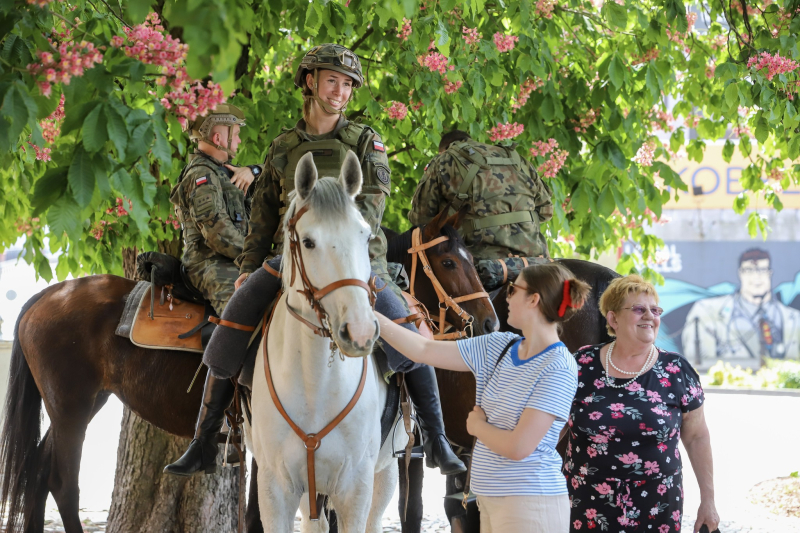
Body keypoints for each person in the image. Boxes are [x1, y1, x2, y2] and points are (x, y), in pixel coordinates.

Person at [165, 43, 466, 477]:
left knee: (410, 328)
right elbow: (264, 215)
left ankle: (437, 441)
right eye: (332, 81)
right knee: (230, 324)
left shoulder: (366, 142)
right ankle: (205, 440)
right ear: (310, 81)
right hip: (294, 262)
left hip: (358, 265)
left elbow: (372, 211)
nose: (341, 92)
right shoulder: (282, 147)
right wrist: (249, 268)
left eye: (347, 85)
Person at [376, 262, 589, 532]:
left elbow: (518, 447)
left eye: (513, 289)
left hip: (531, 502)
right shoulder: (499, 345)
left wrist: (478, 427)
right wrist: (373, 319)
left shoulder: (558, 365)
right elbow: (422, 350)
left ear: (534, 299)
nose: (506, 297)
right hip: (489, 500)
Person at [565, 275, 719, 533]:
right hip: (586, 502)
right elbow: (552, 427)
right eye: (639, 309)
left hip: (658, 506)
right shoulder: (580, 364)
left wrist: (709, 501)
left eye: (654, 310)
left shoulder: (676, 370)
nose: (650, 316)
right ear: (613, 319)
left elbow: (697, 437)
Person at [164, 104, 264, 475]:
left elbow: (272, 178)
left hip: (236, 261)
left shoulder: (226, 172)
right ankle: (206, 441)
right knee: (239, 318)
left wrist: (253, 170)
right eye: (235, 133)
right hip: (210, 264)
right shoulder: (201, 176)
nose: (239, 139)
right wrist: (258, 258)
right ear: (218, 137)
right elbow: (218, 233)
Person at [409, 130, 554, 262]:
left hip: (480, 261)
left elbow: (421, 219)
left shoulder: (444, 160)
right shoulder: (516, 158)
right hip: (536, 257)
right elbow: (546, 212)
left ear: (443, 150)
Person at [683, 248, 800, 366]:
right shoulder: (707, 311)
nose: (756, 277)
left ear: (770, 272)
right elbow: (698, 365)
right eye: (749, 270)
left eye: (762, 270)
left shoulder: (794, 318)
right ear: (740, 273)